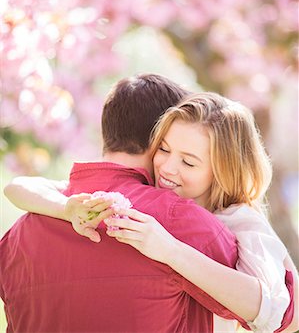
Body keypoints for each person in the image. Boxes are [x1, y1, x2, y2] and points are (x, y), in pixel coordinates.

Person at [3, 90, 297, 332]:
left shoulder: (240, 223)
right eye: (164, 149)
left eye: (189, 162)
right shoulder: (147, 203)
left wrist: (168, 249)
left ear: (222, 171)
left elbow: (279, 314)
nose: (168, 168)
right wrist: (67, 208)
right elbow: (20, 187)